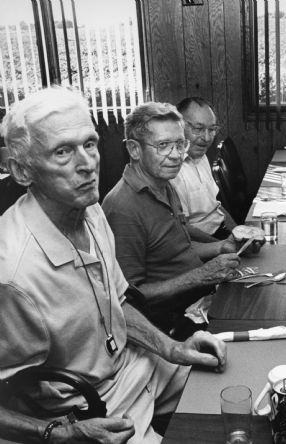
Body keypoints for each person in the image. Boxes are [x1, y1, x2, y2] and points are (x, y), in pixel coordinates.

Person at [0, 87, 227, 443]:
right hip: (92, 410)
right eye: (62, 152)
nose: (87, 163)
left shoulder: (89, 211)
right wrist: (60, 432)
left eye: (89, 144)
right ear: (21, 170)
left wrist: (171, 348)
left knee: (235, 389)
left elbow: (117, 303)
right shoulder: (11, 272)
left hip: (139, 366)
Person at [102, 102, 242, 338]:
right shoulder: (123, 208)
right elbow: (129, 299)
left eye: (180, 144)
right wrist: (201, 276)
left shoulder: (163, 184)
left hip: (201, 297)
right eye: (164, 145)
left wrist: (221, 246)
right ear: (135, 150)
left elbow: (179, 241)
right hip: (173, 326)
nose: (176, 155)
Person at [171, 97, 236, 241]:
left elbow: (216, 208)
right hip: (202, 242)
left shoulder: (202, 156)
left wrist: (237, 232)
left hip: (221, 234)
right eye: (198, 129)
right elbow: (183, 229)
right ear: (178, 126)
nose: (206, 138)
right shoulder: (172, 169)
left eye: (212, 129)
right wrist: (224, 246)